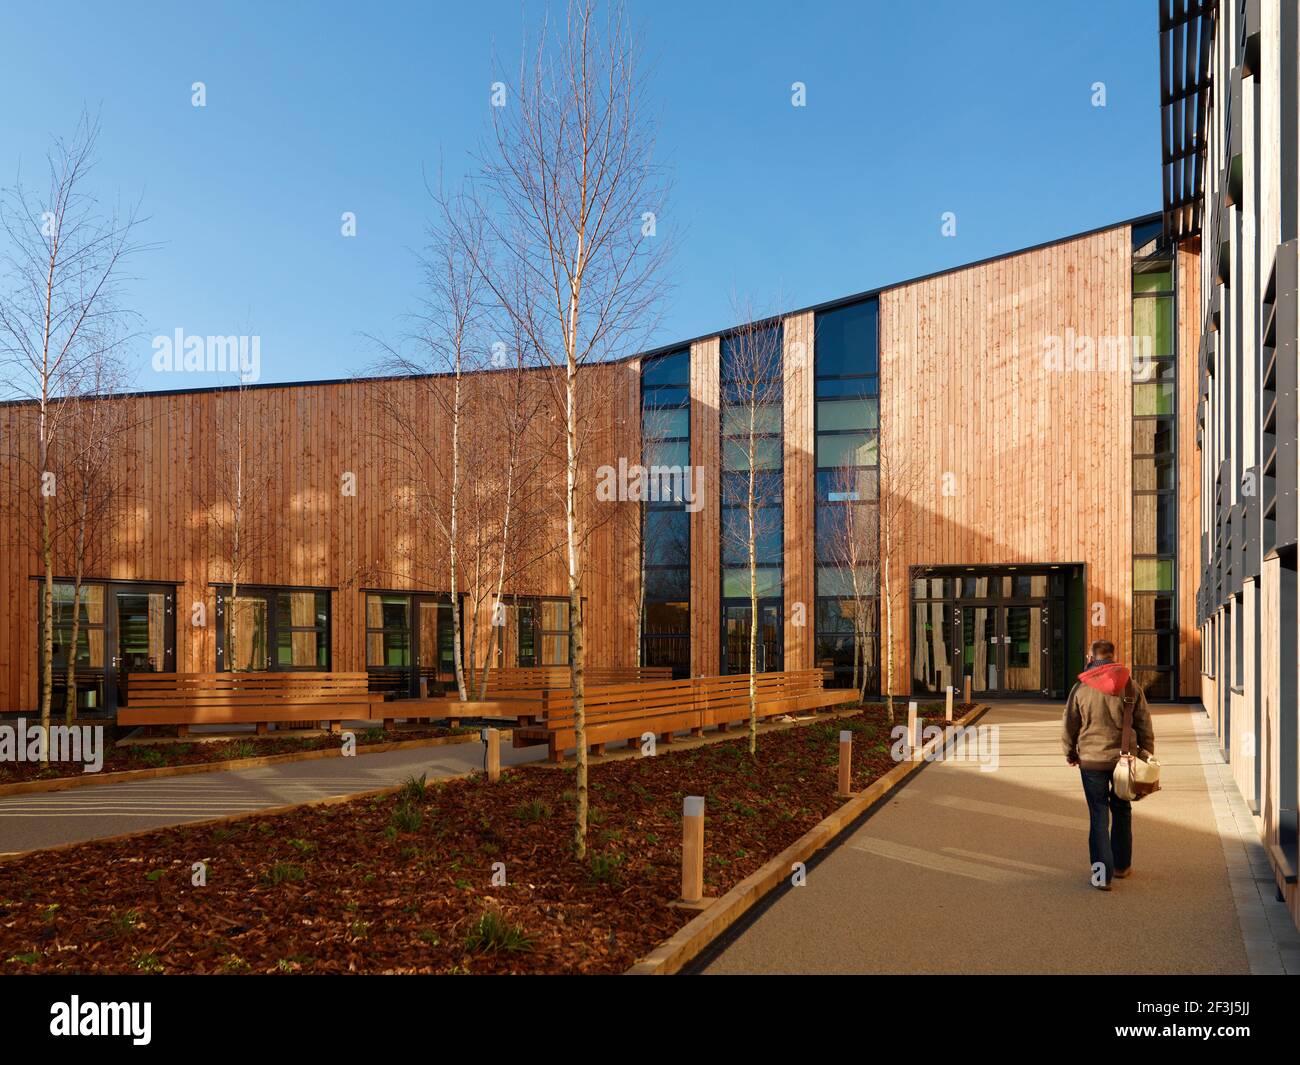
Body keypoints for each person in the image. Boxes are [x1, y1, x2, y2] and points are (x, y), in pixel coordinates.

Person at [1061, 639, 1155, 891]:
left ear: (1091, 658)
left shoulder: (1081, 688)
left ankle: (1102, 876)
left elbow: (1070, 724)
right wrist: (1146, 754)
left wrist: (1070, 752)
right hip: (1125, 759)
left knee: (1099, 815)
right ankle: (1122, 866)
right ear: (1113, 657)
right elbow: (1144, 723)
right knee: (1122, 809)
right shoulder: (1131, 686)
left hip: (1091, 760)